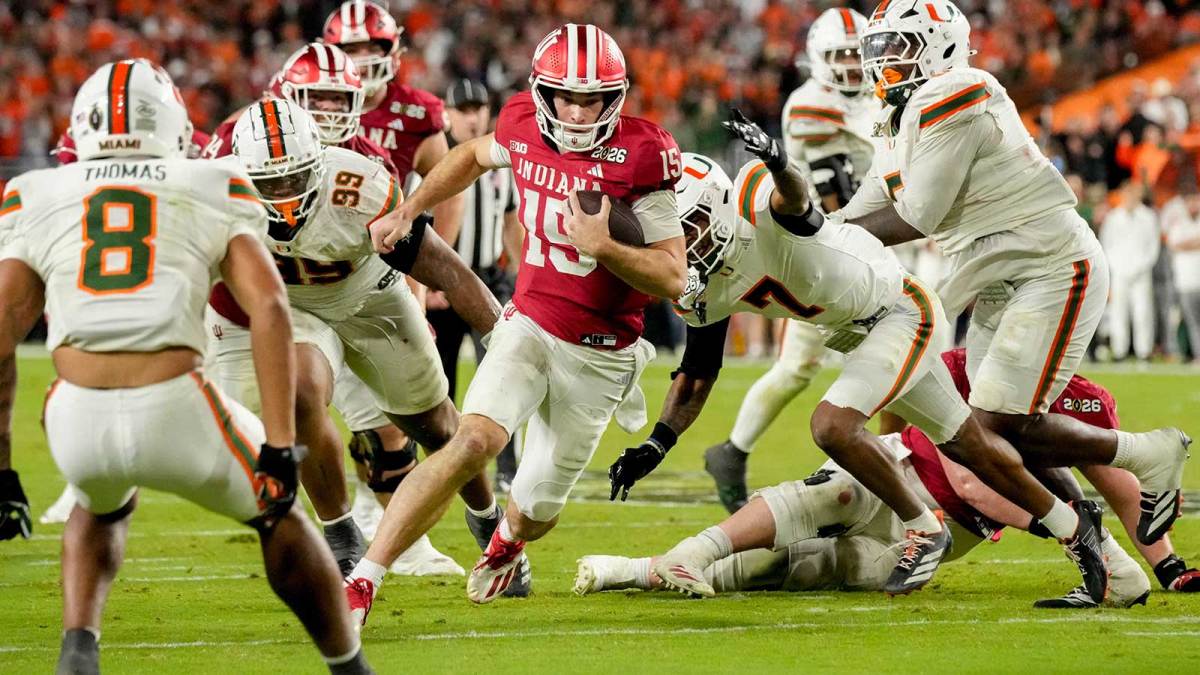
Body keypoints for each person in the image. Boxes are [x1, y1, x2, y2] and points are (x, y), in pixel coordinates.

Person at [0, 61, 371, 674]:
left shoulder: (34, 193)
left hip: (75, 412)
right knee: (278, 511)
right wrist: (280, 445)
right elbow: (271, 306)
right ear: (171, 123)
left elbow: (2, 336)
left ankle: (78, 651)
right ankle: (350, 665)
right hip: (172, 398)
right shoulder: (212, 182)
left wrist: (2, 465)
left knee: (99, 502)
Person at [343, 23, 686, 617]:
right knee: (472, 440)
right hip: (528, 323)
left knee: (533, 510)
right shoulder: (522, 122)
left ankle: (506, 540)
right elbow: (471, 157)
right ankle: (363, 580)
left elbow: (672, 276)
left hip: (603, 352)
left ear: (617, 96)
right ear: (542, 92)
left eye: (595, 97)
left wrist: (604, 247)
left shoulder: (644, 152)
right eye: (567, 96)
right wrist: (411, 208)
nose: (579, 111)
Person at [845, 0, 1188, 547]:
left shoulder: (957, 90)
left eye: (899, 46)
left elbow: (916, 214)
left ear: (941, 46)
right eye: (879, 47)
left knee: (998, 424)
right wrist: (817, 229)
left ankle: (1149, 453)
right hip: (998, 278)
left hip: (1049, 267)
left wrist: (828, 236)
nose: (886, 60)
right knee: (990, 431)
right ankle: (1101, 550)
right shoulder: (894, 114)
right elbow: (870, 199)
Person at [583, 352, 1200, 604]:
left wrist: (1166, 565)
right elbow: (971, 477)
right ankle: (692, 551)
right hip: (909, 480)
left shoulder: (1083, 403)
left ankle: (635, 569)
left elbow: (1121, 485)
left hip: (949, 532)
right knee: (837, 491)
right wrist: (887, 444)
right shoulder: (971, 364)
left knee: (814, 568)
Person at [203, 43, 463, 577]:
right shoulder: (231, 147)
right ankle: (338, 521)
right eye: (314, 98)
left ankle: (401, 541)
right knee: (252, 436)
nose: (326, 111)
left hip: (358, 299)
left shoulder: (364, 163)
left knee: (391, 430)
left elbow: (403, 248)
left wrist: (413, 306)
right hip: (266, 306)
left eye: (336, 99)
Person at [703, 8, 876, 514]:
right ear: (818, 60)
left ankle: (731, 453)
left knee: (801, 367)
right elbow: (843, 187)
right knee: (888, 358)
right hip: (827, 250)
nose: (850, 65)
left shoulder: (869, 99)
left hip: (851, 245)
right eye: (840, 55)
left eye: (856, 54)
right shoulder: (810, 107)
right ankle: (891, 468)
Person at [428, 78, 525, 492]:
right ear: (447, 114)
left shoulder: (499, 159)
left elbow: (509, 221)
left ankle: (507, 468)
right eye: (463, 109)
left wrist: (524, 276)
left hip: (487, 278)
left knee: (502, 371)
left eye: (478, 108)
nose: (471, 117)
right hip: (443, 282)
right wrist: (425, 281)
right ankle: (442, 468)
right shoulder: (434, 157)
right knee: (439, 380)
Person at [322, 0, 464, 246]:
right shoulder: (308, 105)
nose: (363, 59)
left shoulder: (416, 113)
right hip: (324, 244)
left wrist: (436, 259)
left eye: (373, 47)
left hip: (390, 250)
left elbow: (449, 191)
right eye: (352, 49)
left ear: (394, 51)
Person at [1100, 181, 1160, 361]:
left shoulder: (1148, 217)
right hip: (1119, 272)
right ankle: (1119, 350)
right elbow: (1106, 244)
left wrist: (1140, 266)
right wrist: (1117, 266)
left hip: (1141, 272)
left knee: (1143, 312)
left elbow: (1153, 247)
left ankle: (1144, 351)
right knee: (1119, 312)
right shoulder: (1113, 217)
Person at [1160, 185, 1200, 362]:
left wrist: (1186, 244)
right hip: (1185, 281)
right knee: (1191, 322)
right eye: (1190, 201)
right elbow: (1173, 244)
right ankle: (1197, 354)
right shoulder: (1179, 223)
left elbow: (1180, 244)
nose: (1194, 205)